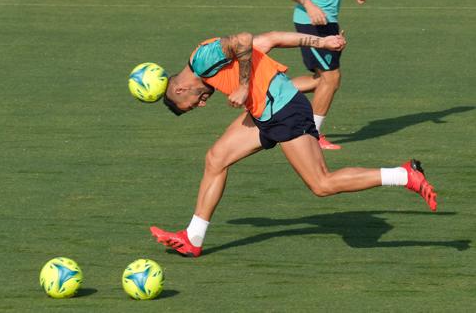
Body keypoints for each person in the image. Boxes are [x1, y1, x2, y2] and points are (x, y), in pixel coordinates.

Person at [150, 31, 437, 258]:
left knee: (321, 184)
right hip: (265, 113)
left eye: (192, 103)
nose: (201, 104)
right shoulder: (207, 60)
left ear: (180, 89)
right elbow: (271, 38)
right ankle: (193, 238)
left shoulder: (202, 58)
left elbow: (243, 40)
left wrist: (244, 86)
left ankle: (405, 175)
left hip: (284, 110)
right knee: (216, 158)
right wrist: (321, 41)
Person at [279, 0, 367, 150]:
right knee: (331, 78)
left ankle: (269, 93)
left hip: (329, 22)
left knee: (321, 81)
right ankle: (312, 135)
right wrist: (308, 5)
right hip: (311, 22)